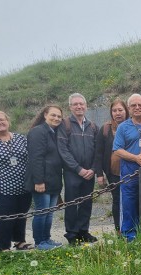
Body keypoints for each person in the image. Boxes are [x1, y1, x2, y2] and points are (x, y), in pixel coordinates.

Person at [0, 110, 32, 251]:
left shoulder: (20, 138)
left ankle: (19, 241)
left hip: (23, 188)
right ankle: (3, 248)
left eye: (2, 119)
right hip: (2, 190)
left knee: (20, 215)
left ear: (8, 121)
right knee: (3, 220)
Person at [57, 93, 98, 245]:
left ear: (86, 106)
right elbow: (63, 151)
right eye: (75, 104)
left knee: (87, 203)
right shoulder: (64, 124)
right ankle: (72, 234)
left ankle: (83, 231)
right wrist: (78, 169)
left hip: (89, 172)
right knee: (72, 203)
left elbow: (97, 151)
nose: (79, 106)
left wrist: (93, 169)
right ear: (70, 107)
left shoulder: (92, 126)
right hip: (72, 172)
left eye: (81, 104)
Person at [26, 105, 64, 250]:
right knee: (42, 212)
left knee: (49, 212)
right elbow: (36, 158)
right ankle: (39, 242)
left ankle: (47, 239)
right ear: (45, 115)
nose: (56, 118)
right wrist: (39, 181)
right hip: (41, 181)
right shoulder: (38, 132)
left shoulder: (53, 132)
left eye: (59, 116)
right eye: (53, 115)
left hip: (53, 180)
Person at [112, 94, 141, 242]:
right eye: (133, 105)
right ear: (129, 108)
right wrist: (135, 158)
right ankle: (129, 235)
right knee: (128, 203)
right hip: (128, 172)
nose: (137, 107)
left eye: (140, 105)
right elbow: (117, 149)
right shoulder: (123, 127)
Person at [93, 99, 128, 233]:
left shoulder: (133, 125)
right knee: (117, 201)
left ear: (126, 111)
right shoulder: (106, 129)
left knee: (131, 201)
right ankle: (119, 230)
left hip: (132, 171)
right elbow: (98, 153)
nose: (117, 113)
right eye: (114, 111)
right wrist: (100, 174)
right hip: (113, 173)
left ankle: (133, 227)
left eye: (120, 110)